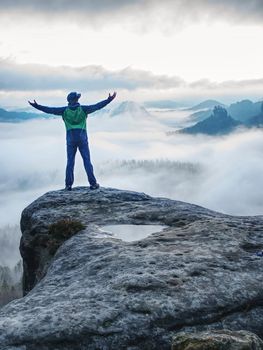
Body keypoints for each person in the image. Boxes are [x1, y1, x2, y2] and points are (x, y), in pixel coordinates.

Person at [28, 91, 117, 190]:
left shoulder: (64, 110)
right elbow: (97, 106)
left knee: (70, 162)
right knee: (87, 161)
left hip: (70, 139)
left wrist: (36, 106)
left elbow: (50, 110)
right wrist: (109, 100)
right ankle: (93, 183)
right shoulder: (83, 109)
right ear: (76, 100)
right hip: (82, 138)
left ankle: (68, 185)